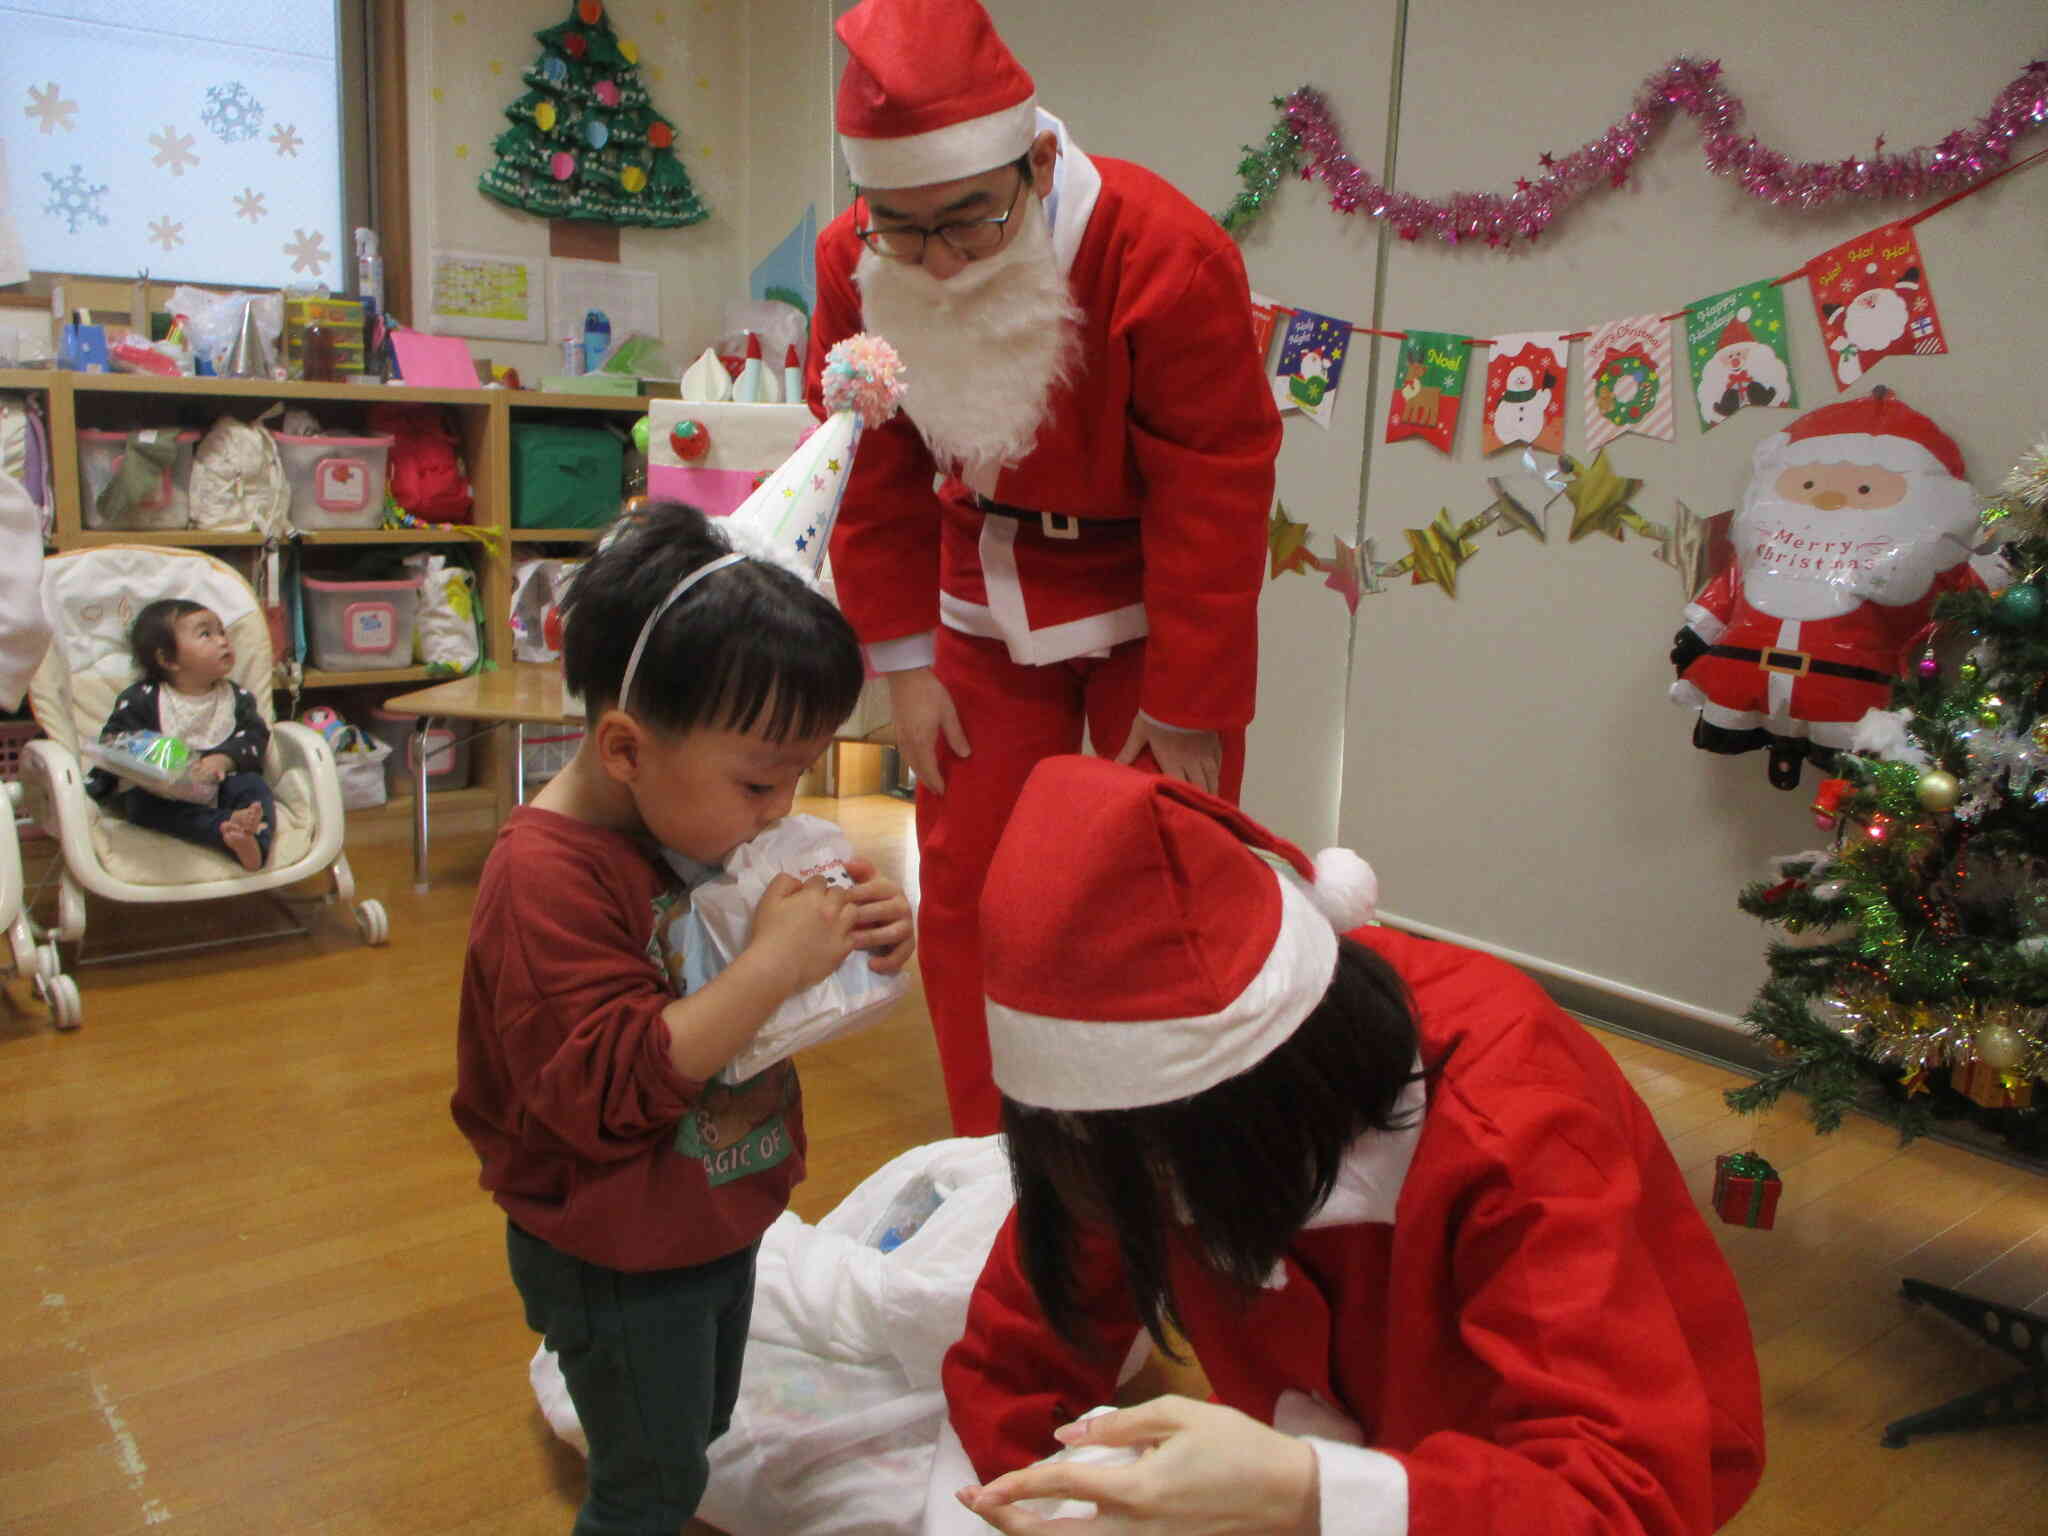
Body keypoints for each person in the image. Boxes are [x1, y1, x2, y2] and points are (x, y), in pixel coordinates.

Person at [935, 755, 1766, 1536]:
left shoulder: (1508, 1124)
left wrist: (1309, 1490)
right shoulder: (1126, 1124)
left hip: (1557, 1463)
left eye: (1164, 1183)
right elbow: (1020, 1350)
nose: (1147, 1204)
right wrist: (1045, 1496)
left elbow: (1625, 1491)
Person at [809, 0, 1283, 1135]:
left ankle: (1165, 1137)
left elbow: (1215, 488)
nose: (938, 260)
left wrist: (1188, 700)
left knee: (1164, 871)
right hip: (975, 593)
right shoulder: (854, 261)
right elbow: (868, 474)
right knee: (967, 880)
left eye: (969, 220)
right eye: (901, 227)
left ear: (1033, 163)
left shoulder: (1161, 251)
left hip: (1153, 603)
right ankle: (994, 1146)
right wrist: (902, 667)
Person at [451, 500, 915, 1536]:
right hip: (616, 1253)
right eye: (759, 779)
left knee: (693, 1434)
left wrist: (865, 927)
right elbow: (605, 1090)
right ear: (624, 747)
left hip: (712, 1212)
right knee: (648, 1487)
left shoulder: (692, 820)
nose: (780, 807)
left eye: (797, 775)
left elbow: (771, 979)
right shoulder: (543, 880)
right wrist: (772, 963)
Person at [1669, 388, 1983, 789]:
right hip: (1739, 675)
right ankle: (1732, 724)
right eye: (1809, 482)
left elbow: (1964, 590)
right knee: (1727, 711)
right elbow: (1729, 588)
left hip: (1847, 691)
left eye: (1865, 489)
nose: (1831, 498)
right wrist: (1696, 631)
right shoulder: (1759, 550)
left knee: (1846, 740)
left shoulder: (1915, 561)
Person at [87, 599, 273, 870]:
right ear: (168, 659)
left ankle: (254, 843)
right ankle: (226, 828)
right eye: (206, 634)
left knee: (254, 787)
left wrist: (224, 759)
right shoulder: (142, 699)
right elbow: (116, 743)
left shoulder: (238, 698)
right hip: (163, 794)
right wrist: (166, 761)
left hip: (219, 786)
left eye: (222, 631)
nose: (223, 640)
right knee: (142, 805)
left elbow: (255, 736)